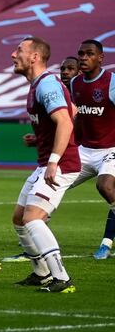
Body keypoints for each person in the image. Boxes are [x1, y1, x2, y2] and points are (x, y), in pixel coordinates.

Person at [10, 36, 80, 293]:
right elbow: (72, 112)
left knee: (32, 218)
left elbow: (64, 121)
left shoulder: (47, 83)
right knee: (19, 218)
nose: (13, 55)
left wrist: (54, 160)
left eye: (19, 50)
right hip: (47, 161)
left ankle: (62, 278)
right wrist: (41, 138)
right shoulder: (38, 84)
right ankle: (41, 273)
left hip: (60, 164)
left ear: (34, 57)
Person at [69, 39, 115, 260]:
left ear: (100, 57)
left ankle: (105, 245)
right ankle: (32, 248)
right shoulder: (75, 84)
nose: (83, 58)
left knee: (105, 186)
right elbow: (72, 118)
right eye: (81, 54)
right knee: (50, 186)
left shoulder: (111, 82)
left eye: (89, 54)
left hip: (111, 149)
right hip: (85, 150)